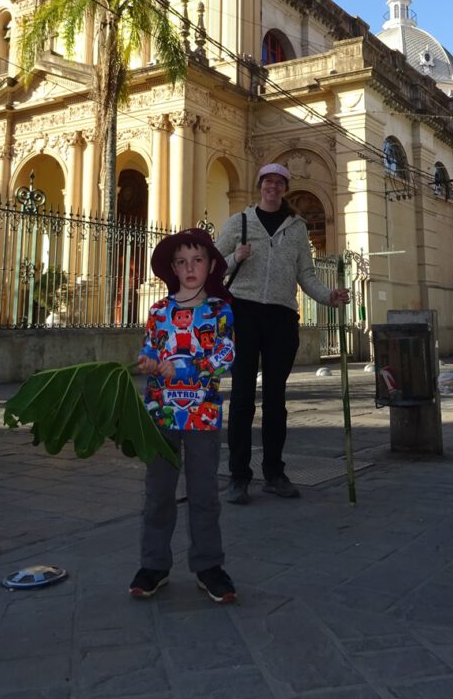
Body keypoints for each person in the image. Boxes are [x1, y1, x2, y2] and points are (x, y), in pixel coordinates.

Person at [216, 163, 349, 504]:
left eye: (279, 182)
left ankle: (274, 473)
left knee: (276, 399)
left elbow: (307, 274)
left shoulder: (297, 228)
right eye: (268, 181)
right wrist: (235, 255)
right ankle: (238, 476)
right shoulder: (239, 222)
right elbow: (214, 267)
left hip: (281, 315)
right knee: (243, 398)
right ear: (259, 185)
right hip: (243, 313)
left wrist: (328, 297)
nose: (273, 187)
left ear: (284, 188)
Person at [129, 228, 237, 603]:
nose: (189, 267)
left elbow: (225, 356)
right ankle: (154, 564)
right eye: (181, 262)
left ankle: (209, 566)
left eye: (197, 260)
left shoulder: (221, 310)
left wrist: (185, 371)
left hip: (202, 416)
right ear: (172, 268)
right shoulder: (158, 311)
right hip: (161, 415)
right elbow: (151, 348)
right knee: (157, 492)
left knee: (204, 493)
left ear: (209, 266)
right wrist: (148, 362)